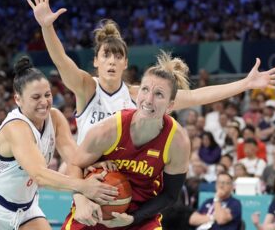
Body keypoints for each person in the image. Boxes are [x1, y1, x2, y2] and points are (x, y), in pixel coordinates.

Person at [27, 0, 275, 145]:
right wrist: (47, 27)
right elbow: (61, 59)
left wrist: (245, 84)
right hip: (89, 181)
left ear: (126, 63)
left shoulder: (140, 95)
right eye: (106, 55)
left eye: (118, 57)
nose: (112, 61)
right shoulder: (85, 88)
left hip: (127, 182)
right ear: (96, 61)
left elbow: (195, 96)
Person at [0, 57, 118, 230]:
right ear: (18, 99)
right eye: (36, 97)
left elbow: (75, 159)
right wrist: (83, 187)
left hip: (25, 210)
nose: (44, 102)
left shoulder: (55, 118)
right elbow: (40, 175)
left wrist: (93, 165)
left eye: (47, 95)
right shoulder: (16, 127)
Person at [61, 51, 191, 229]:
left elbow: (170, 195)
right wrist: (80, 199)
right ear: (137, 94)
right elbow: (74, 164)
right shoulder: (109, 129)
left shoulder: (178, 141)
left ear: (170, 105)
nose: (149, 99)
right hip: (95, 209)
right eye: (145, 89)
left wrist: (133, 218)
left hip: (141, 216)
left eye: (159, 94)